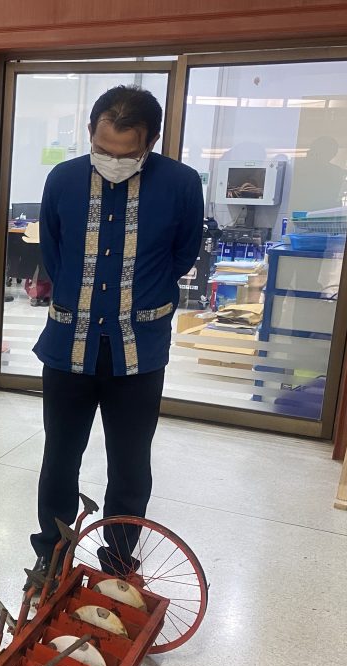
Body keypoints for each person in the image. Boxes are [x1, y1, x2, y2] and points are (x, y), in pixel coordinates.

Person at [27, 86, 204, 586]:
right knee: (60, 457)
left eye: (127, 154)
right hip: (70, 344)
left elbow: (182, 254)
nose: (114, 162)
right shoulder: (63, 179)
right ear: (90, 133)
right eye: (103, 149)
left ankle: (119, 562)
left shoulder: (181, 184)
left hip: (138, 349)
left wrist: (136, 297)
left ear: (150, 143)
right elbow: (54, 252)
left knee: (130, 464)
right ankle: (52, 556)